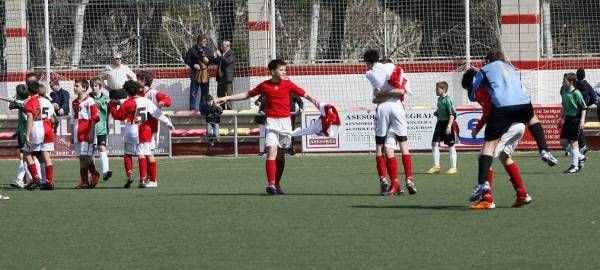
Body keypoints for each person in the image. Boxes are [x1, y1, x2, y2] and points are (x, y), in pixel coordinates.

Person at [216, 59, 320, 195]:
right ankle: (270, 184)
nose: (284, 72)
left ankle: (277, 183)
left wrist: (316, 102)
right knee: (271, 152)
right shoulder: (264, 85)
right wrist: (227, 98)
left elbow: (304, 94)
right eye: (281, 70)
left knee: (281, 156)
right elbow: (247, 94)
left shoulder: (288, 84)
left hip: (285, 123)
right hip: (271, 123)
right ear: (272, 71)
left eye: (284, 70)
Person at [467, 49, 557, 201]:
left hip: (504, 110)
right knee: (532, 120)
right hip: (523, 105)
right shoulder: (510, 67)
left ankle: (484, 187)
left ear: (488, 61)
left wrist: (476, 78)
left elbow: (472, 93)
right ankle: (544, 150)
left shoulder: (484, 70)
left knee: (487, 148)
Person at [462, 68, 533, 209]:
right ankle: (522, 194)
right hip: (519, 124)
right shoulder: (498, 82)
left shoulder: (480, 89)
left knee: (484, 156)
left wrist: (477, 128)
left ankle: (487, 199)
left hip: (508, 125)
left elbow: (488, 110)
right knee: (504, 156)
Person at [363, 49, 416, 196]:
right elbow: (400, 91)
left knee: (380, 147)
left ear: (368, 62)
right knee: (398, 146)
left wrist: (382, 94)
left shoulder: (370, 74)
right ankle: (404, 181)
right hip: (397, 107)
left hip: (384, 109)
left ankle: (385, 179)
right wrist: (388, 93)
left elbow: (376, 98)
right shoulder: (394, 69)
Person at [110, 81, 174, 188]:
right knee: (142, 154)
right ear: (138, 90)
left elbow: (119, 116)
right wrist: (168, 123)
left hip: (131, 131)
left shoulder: (126, 102)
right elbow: (156, 113)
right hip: (144, 131)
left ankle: (130, 174)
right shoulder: (146, 101)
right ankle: (143, 179)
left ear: (126, 91)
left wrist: (112, 106)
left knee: (127, 154)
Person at [137, 71, 172, 187]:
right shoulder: (139, 93)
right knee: (144, 153)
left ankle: (153, 180)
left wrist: (163, 102)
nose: (137, 82)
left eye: (138, 79)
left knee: (148, 153)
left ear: (143, 81)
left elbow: (167, 99)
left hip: (151, 128)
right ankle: (146, 178)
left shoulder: (153, 93)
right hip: (141, 128)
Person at [22, 81, 56, 190]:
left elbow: (30, 118)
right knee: (46, 155)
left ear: (29, 90)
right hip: (47, 129)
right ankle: (49, 181)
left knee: (27, 154)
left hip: (36, 129)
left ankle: (36, 178)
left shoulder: (30, 102)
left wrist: (27, 135)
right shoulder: (47, 101)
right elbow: (53, 118)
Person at [1, 85, 35, 189]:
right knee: (28, 156)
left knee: (25, 156)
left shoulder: (22, 102)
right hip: (30, 130)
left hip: (25, 131)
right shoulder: (32, 100)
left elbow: (11, 101)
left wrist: (1, 96)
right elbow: (12, 105)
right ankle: (29, 179)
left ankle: (28, 179)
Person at [71, 79, 101, 189]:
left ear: (84, 88)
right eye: (74, 86)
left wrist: (91, 132)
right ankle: (84, 181)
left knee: (86, 156)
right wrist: (72, 134)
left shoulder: (90, 101)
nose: (75, 88)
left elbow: (95, 117)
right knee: (81, 157)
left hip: (87, 132)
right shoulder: (74, 102)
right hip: (77, 133)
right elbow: (73, 120)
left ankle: (94, 173)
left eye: (77, 86)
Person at [427, 81, 458, 174]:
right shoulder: (439, 99)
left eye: (437, 89)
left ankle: (454, 167)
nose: (436, 91)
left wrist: (449, 126)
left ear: (443, 89)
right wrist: (437, 112)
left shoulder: (448, 99)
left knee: (451, 145)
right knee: (434, 143)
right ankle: (436, 166)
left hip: (447, 124)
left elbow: (452, 114)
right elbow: (442, 109)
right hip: (439, 124)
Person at [559, 73, 587, 174]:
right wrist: (560, 118)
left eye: (564, 80)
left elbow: (583, 107)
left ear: (571, 82)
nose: (563, 82)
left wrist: (582, 120)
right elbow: (564, 106)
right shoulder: (564, 92)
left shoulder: (577, 93)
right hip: (568, 119)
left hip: (576, 120)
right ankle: (581, 157)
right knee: (563, 142)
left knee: (574, 143)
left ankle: (574, 166)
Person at [90, 77, 112, 181]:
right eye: (92, 86)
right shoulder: (88, 98)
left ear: (100, 87)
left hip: (102, 127)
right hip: (90, 128)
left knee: (102, 147)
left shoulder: (106, 98)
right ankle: (92, 173)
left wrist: (108, 123)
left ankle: (105, 172)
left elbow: (109, 112)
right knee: (91, 151)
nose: (94, 88)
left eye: (96, 86)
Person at [185, 34, 215, 110]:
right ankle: (192, 110)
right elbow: (187, 60)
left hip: (205, 75)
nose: (206, 43)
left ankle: (203, 109)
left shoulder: (208, 50)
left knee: (205, 93)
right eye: (204, 41)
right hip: (195, 74)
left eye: (206, 41)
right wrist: (193, 65)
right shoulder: (192, 50)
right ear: (199, 41)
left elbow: (212, 60)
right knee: (193, 93)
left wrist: (209, 60)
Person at [574, 68, 596, 155]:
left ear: (576, 75)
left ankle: (582, 146)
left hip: (574, 109)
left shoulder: (574, 85)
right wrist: (586, 104)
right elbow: (594, 98)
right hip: (584, 110)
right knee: (580, 127)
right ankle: (582, 146)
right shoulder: (588, 85)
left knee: (575, 128)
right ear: (584, 76)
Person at [215, 40, 236, 110]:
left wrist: (220, 55)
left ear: (228, 46)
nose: (221, 47)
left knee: (229, 95)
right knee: (220, 94)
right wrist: (215, 56)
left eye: (223, 46)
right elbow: (216, 63)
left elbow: (227, 62)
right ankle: (221, 109)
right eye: (222, 45)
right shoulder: (221, 53)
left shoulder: (231, 53)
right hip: (220, 77)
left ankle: (230, 110)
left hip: (227, 78)